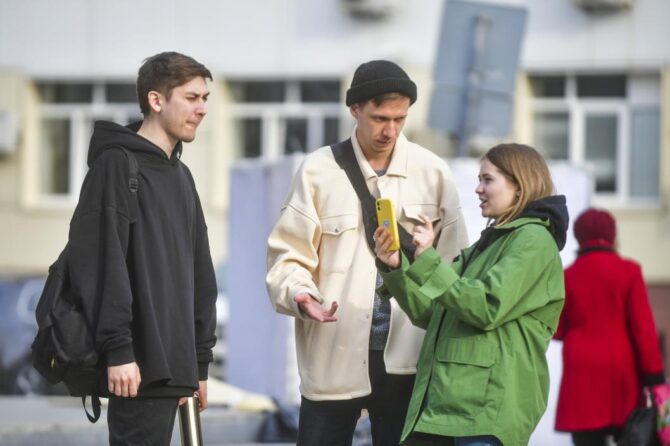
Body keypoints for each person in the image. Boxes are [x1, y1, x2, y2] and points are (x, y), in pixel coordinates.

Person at [266, 59, 468, 445]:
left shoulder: (433, 172)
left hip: (411, 357)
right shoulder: (317, 171)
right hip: (333, 351)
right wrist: (300, 295)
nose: (390, 130)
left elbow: (456, 265)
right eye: (380, 118)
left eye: (400, 119)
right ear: (354, 110)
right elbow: (287, 256)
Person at [67, 51, 218, 445]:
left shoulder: (181, 175)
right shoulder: (116, 165)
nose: (202, 109)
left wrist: (199, 362)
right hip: (137, 368)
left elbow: (199, 272)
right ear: (156, 100)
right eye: (191, 97)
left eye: (205, 98)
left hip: (179, 367)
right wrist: (119, 350)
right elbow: (100, 264)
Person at [375, 143, 568, 446]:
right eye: (479, 179)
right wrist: (397, 267)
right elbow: (433, 313)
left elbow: (486, 305)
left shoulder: (534, 241)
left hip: (484, 412)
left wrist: (428, 262)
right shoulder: (489, 244)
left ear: (519, 186)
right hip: (445, 408)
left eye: (488, 180)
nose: (478, 189)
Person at [554, 208, 665, 446]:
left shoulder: (566, 276)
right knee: (631, 437)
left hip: (580, 372)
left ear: (579, 236)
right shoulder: (629, 271)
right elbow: (643, 329)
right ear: (612, 234)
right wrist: (655, 377)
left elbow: (558, 329)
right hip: (621, 375)